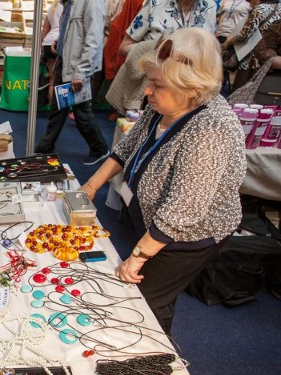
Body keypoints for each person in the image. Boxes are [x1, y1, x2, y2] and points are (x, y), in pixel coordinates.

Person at [80, 28, 246, 335]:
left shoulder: (211, 129)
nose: (147, 91)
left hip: (189, 233)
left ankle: (151, 361)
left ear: (189, 88)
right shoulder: (164, 104)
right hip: (159, 219)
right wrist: (90, 186)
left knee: (144, 300)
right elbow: (127, 148)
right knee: (154, 295)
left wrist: (136, 258)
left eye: (156, 84)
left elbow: (182, 213)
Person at [35, 0, 110, 166]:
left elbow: (94, 39)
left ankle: (100, 148)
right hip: (65, 62)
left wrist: (81, 71)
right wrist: (60, 43)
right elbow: (72, 31)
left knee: (81, 111)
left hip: (77, 67)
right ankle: (46, 145)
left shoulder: (91, 2)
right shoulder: (70, 3)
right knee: (57, 107)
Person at [221, 0, 281, 90]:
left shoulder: (260, 9)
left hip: (251, 57)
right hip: (269, 57)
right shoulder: (280, 8)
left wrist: (228, 43)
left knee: (241, 90)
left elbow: (243, 35)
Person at [120, 0, 217, 57]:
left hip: (188, 85)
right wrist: (157, 52)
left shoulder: (210, 7)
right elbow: (124, 47)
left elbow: (209, 51)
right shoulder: (156, 3)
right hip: (152, 82)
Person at [41, 0, 64, 103]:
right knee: (62, 81)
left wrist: (42, 46)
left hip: (47, 43)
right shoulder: (68, 6)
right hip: (60, 42)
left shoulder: (52, 7)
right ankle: (58, 107)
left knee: (52, 79)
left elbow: (45, 29)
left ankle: (51, 107)